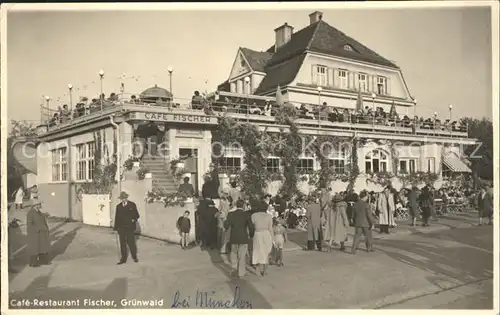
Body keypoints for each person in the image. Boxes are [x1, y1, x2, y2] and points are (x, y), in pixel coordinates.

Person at [224, 199, 253, 278]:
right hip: (243, 237)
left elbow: (226, 225)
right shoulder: (247, 215)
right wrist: (251, 235)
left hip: (234, 237)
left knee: (233, 254)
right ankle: (241, 272)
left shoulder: (231, 214)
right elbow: (251, 227)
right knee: (242, 256)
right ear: (243, 205)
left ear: (236, 205)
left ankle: (234, 269)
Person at [114, 191, 140, 264]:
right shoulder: (118, 206)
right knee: (122, 244)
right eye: (122, 198)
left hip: (130, 227)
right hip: (121, 228)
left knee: (131, 243)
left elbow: (137, 215)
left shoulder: (132, 205)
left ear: (127, 198)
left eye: (124, 198)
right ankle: (123, 259)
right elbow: (117, 218)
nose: (123, 200)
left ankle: (134, 257)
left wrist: (133, 220)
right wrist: (115, 228)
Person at [251, 202, 274, 276]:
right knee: (266, 252)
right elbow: (270, 229)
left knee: (257, 251)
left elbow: (252, 226)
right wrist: (273, 239)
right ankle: (265, 271)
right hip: (266, 234)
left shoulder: (254, 215)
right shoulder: (269, 216)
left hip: (257, 234)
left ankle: (257, 269)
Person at [26, 199, 51, 267]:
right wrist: (36, 229)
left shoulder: (39, 212)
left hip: (41, 233)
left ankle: (43, 261)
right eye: (39, 204)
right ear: (35, 205)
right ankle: (33, 263)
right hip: (35, 234)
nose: (40, 205)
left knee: (42, 247)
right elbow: (29, 224)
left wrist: (46, 228)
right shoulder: (31, 213)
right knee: (35, 248)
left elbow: (42, 220)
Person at [351, 190, 375, 255]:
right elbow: (369, 215)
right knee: (368, 236)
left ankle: (353, 249)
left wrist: (353, 220)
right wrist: (372, 223)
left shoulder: (355, 204)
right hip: (366, 223)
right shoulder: (367, 205)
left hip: (358, 222)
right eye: (367, 196)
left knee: (357, 236)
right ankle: (369, 248)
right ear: (365, 197)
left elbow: (353, 215)